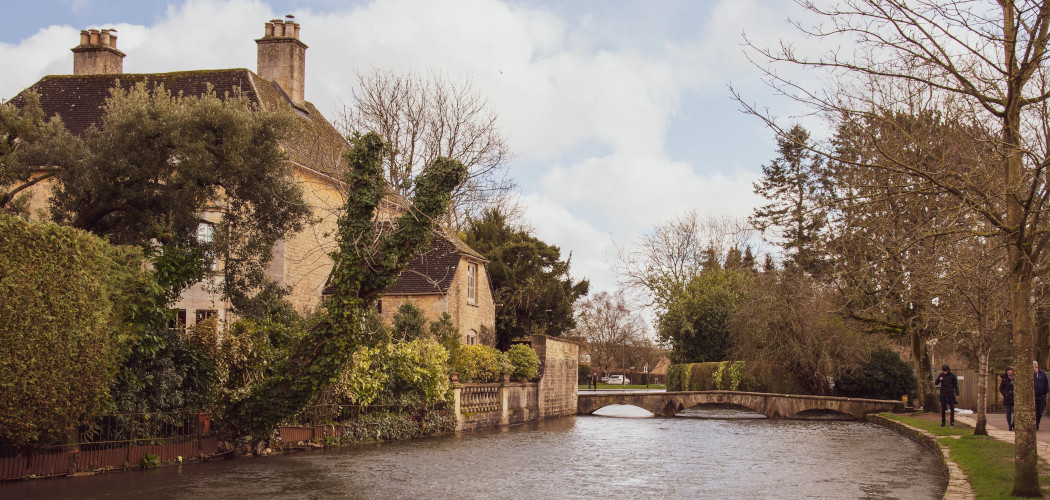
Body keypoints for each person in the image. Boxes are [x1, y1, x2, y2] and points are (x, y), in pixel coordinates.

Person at [1000, 366, 1015, 431]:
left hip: (1015, 398)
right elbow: (1001, 388)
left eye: (1011, 370)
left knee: (1016, 413)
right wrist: (1005, 394)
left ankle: (1013, 424)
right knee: (1008, 412)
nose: (1010, 371)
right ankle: (1009, 425)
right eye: (1008, 370)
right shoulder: (1004, 379)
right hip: (1007, 398)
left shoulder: (1015, 379)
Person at [1035, 361, 1049, 430]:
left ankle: (1037, 424)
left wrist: (1044, 393)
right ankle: (1033, 424)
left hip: (1041, 396)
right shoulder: (1029, 374)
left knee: (1039, 411)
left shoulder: (1043, 374)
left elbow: (1047, 384)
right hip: (1032, 397)